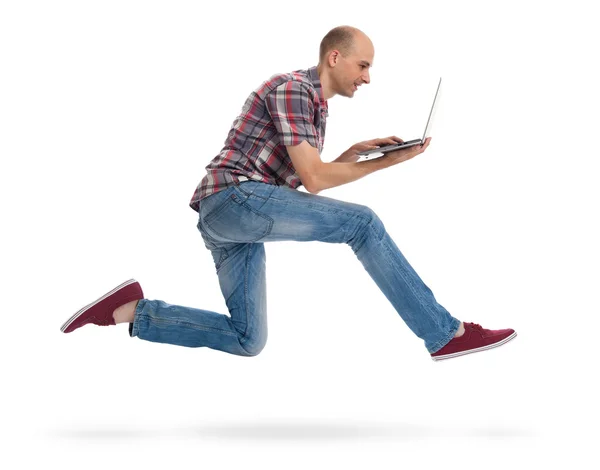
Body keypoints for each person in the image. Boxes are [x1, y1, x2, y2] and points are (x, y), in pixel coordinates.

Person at [60, 25, 516, 361]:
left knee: (247, 338)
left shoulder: (314, 108)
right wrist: (382, 164)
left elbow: (298, 182)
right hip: (235, 199)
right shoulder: (295, 89)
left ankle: (129, 310)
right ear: (334, 58)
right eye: (364, 65)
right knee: (364, 224)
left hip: (232, 216)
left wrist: (353, 155)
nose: (368, 77)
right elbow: (314, 182)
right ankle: (445, 334)